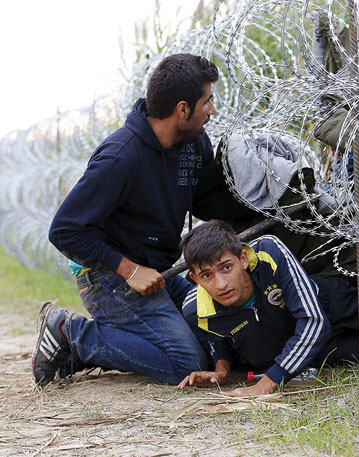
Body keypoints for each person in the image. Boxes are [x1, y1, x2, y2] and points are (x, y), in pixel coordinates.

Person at [33, 54, 244, 387]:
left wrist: (269, 209)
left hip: (158, 271)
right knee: (186, 362)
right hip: (107, 277)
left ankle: (81, 353)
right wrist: (129, 270)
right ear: (183, 110)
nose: (213, 110)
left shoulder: (193, 144)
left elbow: (207, 201)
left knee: (220, 334)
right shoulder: (121, 157)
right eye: (207, 101)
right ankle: (72, 333)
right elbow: (64, 230)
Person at [177, 220, 359, 396]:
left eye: (226, 268)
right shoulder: (194, 310)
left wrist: (267, 383)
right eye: (206, 275)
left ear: (242, 259)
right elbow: (220, 339)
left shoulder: (267, 252)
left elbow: (314, 321)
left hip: (336, 307)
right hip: (321, 351)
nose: (220, 284)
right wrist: (221, 370)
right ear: (194, 279)